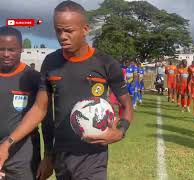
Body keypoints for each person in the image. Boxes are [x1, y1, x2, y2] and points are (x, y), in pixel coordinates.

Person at [0, 1, 133, 180]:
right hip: (61, 154)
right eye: (58, 30)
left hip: (92, 155)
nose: (62, 36)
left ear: (85, 29)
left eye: (68, 31)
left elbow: (126, 104)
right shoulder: (50, 63)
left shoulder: (105, 63)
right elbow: (40, 109)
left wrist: (121, 131)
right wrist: (10, 144)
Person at [0, 26, 41, 180]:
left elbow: (46, 118)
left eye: (11, 49)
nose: (6, 54)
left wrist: (50, 153)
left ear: (21, 49)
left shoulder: (34, 78)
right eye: (1, 49)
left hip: (23, 157)